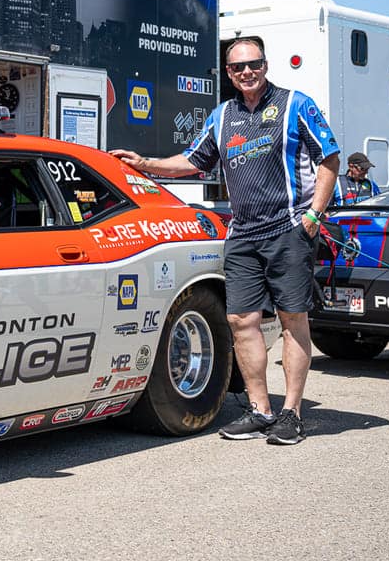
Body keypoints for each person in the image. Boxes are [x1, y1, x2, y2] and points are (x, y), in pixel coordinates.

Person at [112, 36, 339, 445]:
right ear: (230, 74)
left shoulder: (295, 104)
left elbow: (329, 158)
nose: (247, 72)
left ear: (265, 65)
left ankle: (291, 414)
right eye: (238, 68)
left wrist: (312, 216)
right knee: (241, 322)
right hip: (243, 235)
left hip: (288, 230)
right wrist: (145, 163)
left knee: (292, 321)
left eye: (253, 64)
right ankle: (259, 410)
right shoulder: (222, 116)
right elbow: (193, 160)